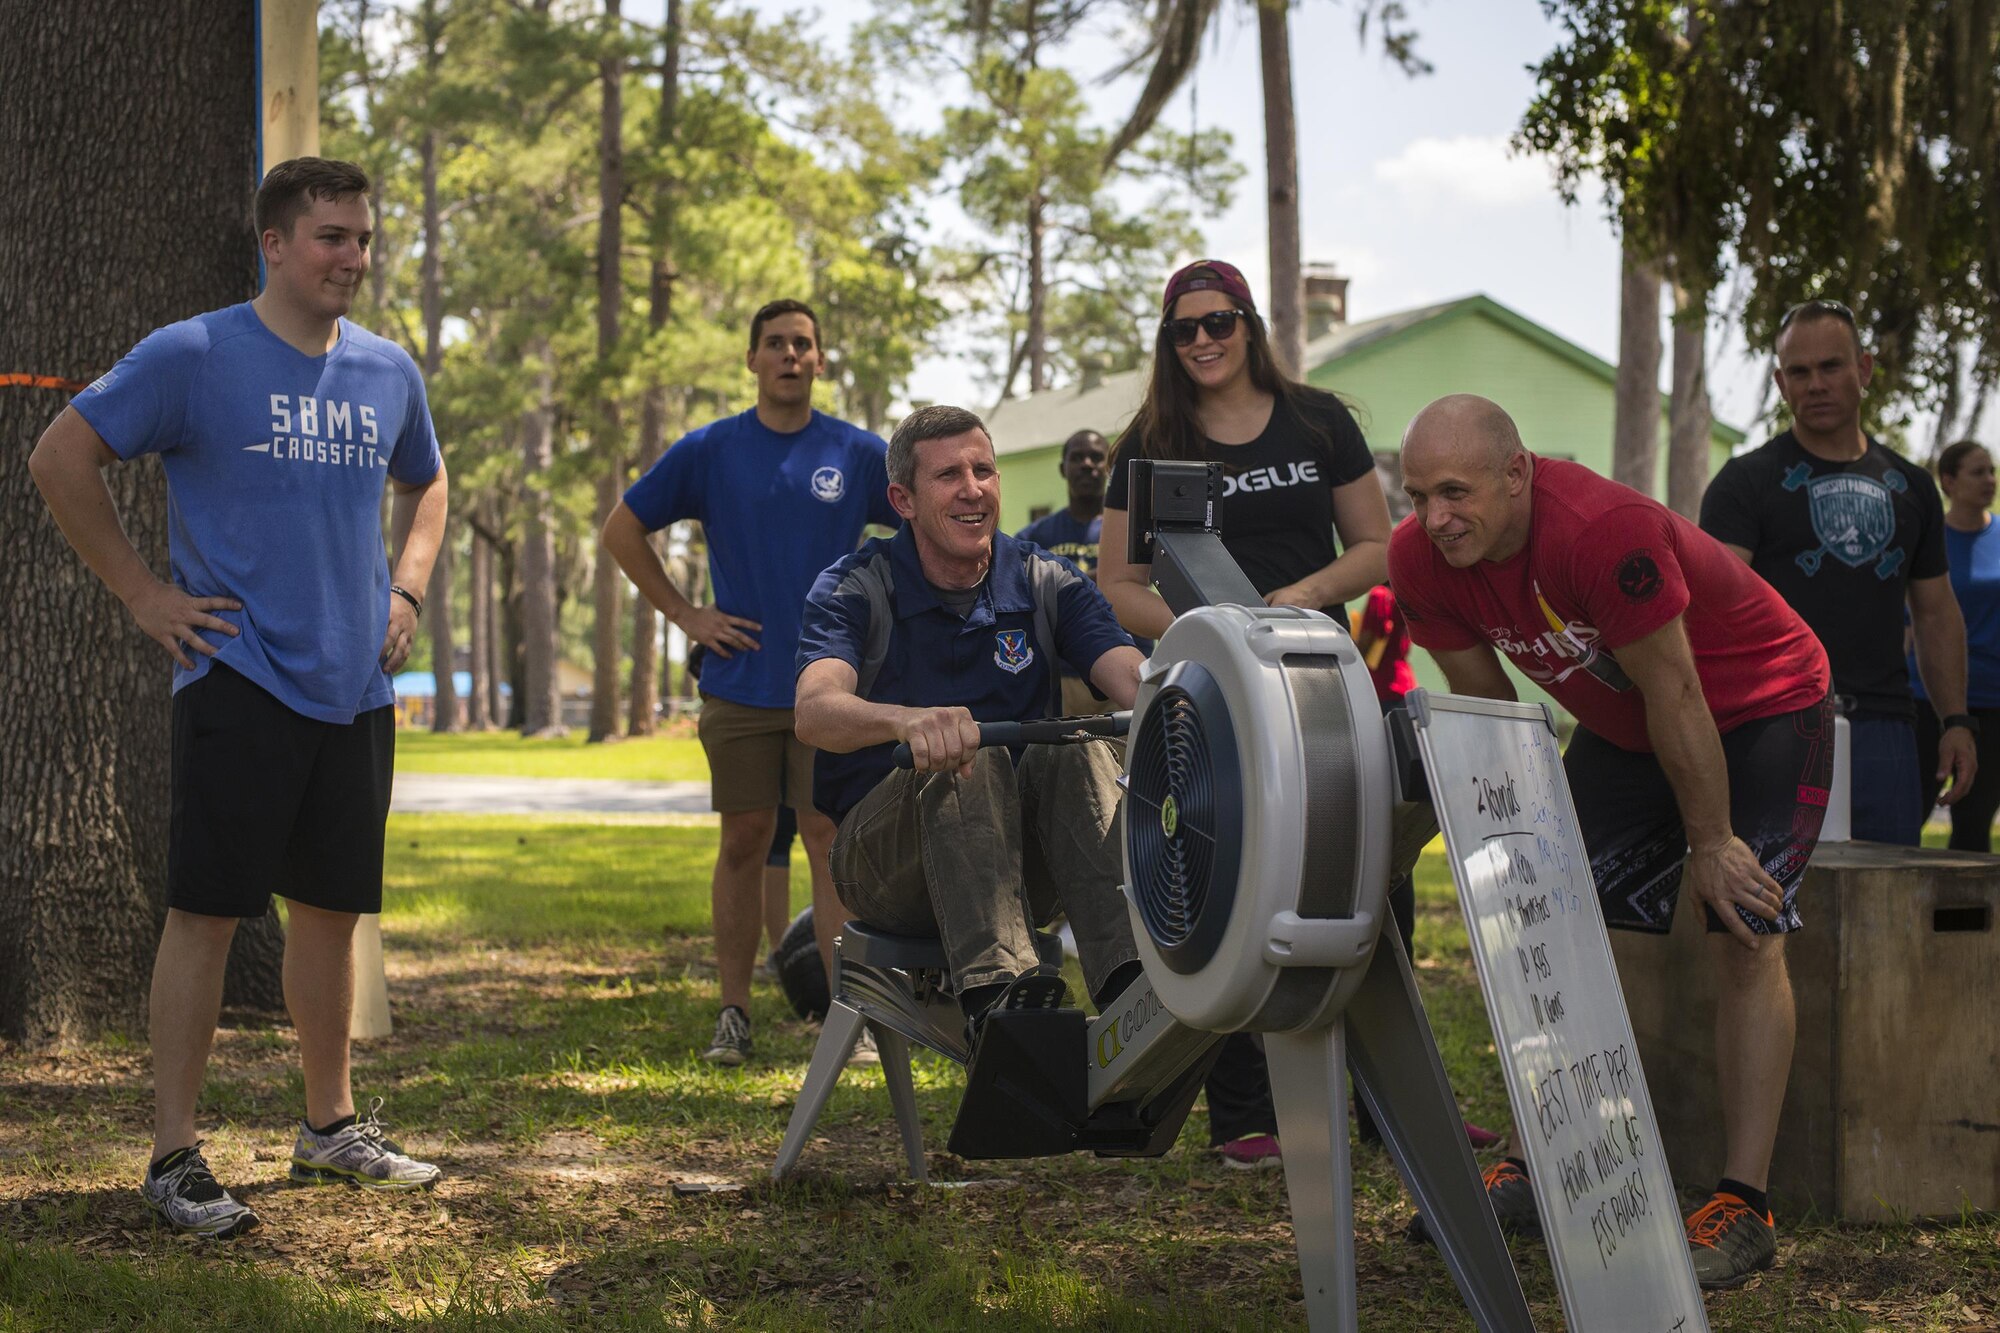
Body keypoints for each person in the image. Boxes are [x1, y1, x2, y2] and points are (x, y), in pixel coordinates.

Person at [28, 157, 449, 1237]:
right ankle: (173, 1154)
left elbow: (429, 479)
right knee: (208, 913)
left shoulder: (387, 370)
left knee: (331, 912)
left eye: (361, 237)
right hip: (240, 674)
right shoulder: (195, 353)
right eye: (329, 237)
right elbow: (60, 454)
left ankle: (329, 1129)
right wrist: (143, 595)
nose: (351, 257)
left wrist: (406, 586)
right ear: (273, 243)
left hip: (356, 685)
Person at [1390, 394, 1833, 1290]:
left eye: (1454, 492)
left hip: (1761, 704)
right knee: (1555, 926)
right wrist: (1524, 851)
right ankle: (1537, 1156)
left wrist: (1710, 843)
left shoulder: (1602, 531)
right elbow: (1498, 717)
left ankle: (1744, 1204)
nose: (1436, 519)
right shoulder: (1419, 559)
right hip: (1632, 721)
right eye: (1417, 495)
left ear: (1518, 473)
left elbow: (1679, 694)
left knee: (1743, 926)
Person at [1097, 259, 1392, 1170]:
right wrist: (1213, 632)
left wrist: (1297, 597)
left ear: (1249, 323)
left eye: (1218, 321)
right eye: (1183, 329)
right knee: (1221, 885)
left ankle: (1388, 1113)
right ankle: (1242, 1118)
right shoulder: (1148, 441)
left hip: (1318, 686)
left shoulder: (1319, 421)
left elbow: (1377, 546)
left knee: (1370, 875)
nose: (1203, 341)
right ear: (1167, 341)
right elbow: (1117, 586)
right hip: (1211, 698)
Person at [602, 299, 899, 1067]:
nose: (790, 355)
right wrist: (686, 614)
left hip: (830, 688)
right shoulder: (711, 450)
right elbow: (622, 528)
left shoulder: (860, 454)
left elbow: (925, 529)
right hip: (740, 684)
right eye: (775, 344)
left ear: (822, 360)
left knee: (831, 843)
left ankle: (846, 1013)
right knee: (744, 840)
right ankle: (732, 1012)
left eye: (804, 343)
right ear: (752, 359)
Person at [794, 405, 1147, 1043]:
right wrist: (907, 722)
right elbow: (815, 711)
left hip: (1019, 869)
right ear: (901, 498)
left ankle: (1134, 995)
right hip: (886, 869)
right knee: (969, 750)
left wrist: (1182, 691)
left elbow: (1130, 675)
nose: (973, 488)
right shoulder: (856, 585)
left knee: (1078, 743)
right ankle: (1000, 1007)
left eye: (984, 470)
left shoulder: (1045, 579)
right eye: (948, 475)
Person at [1699, 299, 1976, 845]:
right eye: (1799, 372)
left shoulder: (1913, 486)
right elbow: (1713, 613)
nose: (1816, 384)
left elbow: (1937, 613)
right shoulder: (1744, 483)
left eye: (1831, 366)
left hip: (1885, 727)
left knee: (1887, 908)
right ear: (1781, 383)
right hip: (1776, 725)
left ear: (1864, 369)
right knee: (1773, 912)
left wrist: (1957, 720)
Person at [1912, 442, 2000, 850]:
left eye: (1992, 471)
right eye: (1978, 472)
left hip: (1991, 701)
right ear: (1948, 481)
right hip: (1926, 700)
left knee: (1974, 830)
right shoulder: (1928, 540)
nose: (1990, 480)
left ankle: (1966, 917)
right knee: (1906, 823)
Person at [1014, 429, 1132, 715]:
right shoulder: (1035, 535)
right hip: (1061, 675)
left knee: (1129, 758)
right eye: (1077, 457)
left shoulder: (1130, 529)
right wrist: (1098, 578)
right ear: (1062, 468)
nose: (1087, 464)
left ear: (1109, 467)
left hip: (1124, 667)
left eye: (1096, 457)